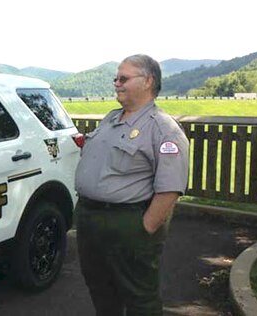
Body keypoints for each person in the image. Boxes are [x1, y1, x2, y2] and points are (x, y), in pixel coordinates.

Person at [74, 54, 189, 315]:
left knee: (140, 298)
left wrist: (145, 228)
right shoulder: (111, 119)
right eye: (116, 78)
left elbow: (170, 188)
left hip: (127, 224)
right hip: (90, 219)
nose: (117, 83)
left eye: (123, 78)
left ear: (147, 81)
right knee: (100, 290)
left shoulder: (163, 129)